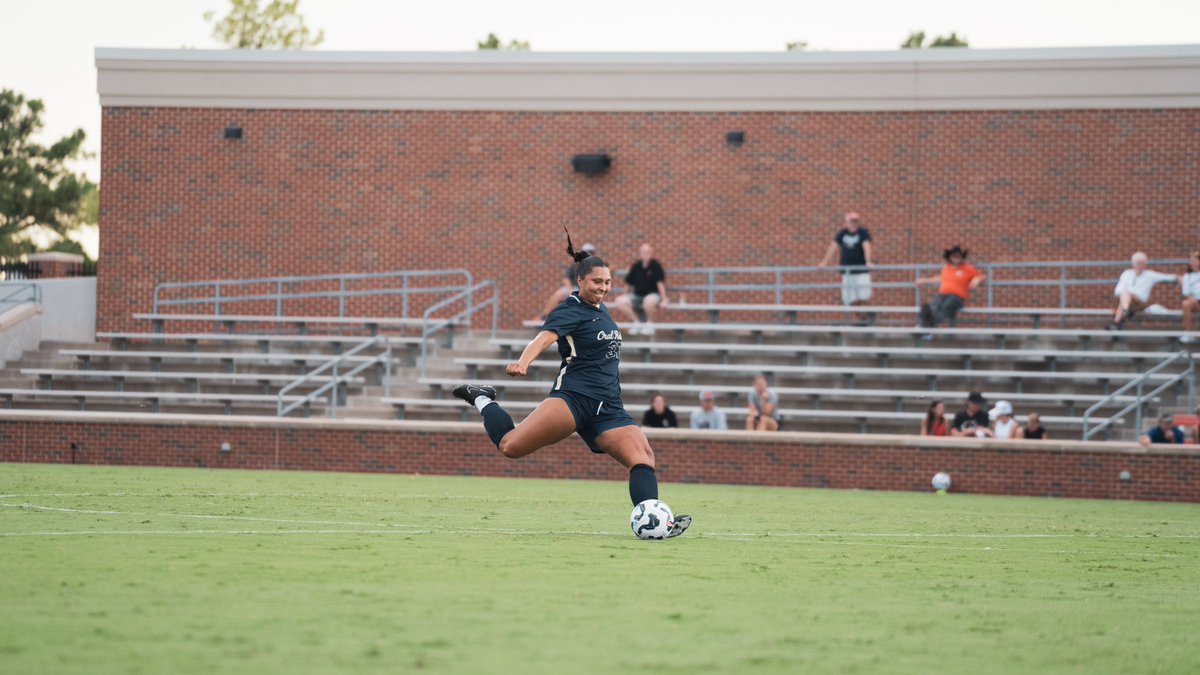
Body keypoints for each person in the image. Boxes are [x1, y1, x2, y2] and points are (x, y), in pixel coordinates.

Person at [451, 232, 690, 538]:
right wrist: (524, 362)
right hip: (574, 398)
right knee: (510, 446)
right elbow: (544, 338)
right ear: (580, 281)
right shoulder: (570, 308)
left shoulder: (602, 311)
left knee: (642, 457)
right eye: (596, 282)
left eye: (607, 282)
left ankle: (657, 524)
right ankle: (482, 398)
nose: (603, 288)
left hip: (609, 407)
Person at [817, 212, 874, 323]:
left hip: (861, 270)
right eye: (851, 222)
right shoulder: (842, 234)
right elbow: (833, 247)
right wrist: (824, 262)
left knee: (864, 295)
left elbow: (866, 245)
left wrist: (868, 261)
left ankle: (863, 316)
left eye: (855, 222)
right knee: (850, 298)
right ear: (846, 223)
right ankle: (861, 316)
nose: (853, 224)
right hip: (847, 272)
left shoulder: (863, 233)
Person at [915, 246, 986, 330]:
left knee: (946, 306)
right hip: (943, 294)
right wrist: (924, 280)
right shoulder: (946, 268)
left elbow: (982, 276)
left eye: (958, 256)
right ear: (950, 257)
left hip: (957, 297)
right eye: (954, 256)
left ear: (961, 257)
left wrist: (977, 279)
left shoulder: (967, 268)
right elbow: (940, 278)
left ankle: (926, 327)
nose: (956, 258)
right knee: (932, 306)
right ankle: (925, 326)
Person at [1108, 251, 1177, 331]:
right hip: (1126, 301)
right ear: (1133, 263)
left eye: (1143, 263)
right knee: (1125, 296)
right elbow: (1117, 291)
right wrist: (1130, 294)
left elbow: (1166, 277)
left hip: (1139, 303)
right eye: (1138, 263)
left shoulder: (1150, 275)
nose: (1141, 265)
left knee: (1124, 298)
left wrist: (1180, 278)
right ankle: (1122, 316)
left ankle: (1121, 317)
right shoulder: (1127, 274)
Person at [611, 243, 668, 336]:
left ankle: (650, 325)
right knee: (619, 301)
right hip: (637, 296)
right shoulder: (636, 266)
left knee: (648, 301)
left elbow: (660, 283)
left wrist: (664, 299)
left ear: (651, 253)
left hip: (652, 295)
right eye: (643, 252)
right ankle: (637, 323)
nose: (645, 254)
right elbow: (628, 283)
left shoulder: (656, 266)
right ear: (640, 253)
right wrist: (625, 295)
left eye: (647, 252)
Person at [535, 242, 596, 321]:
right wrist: (570, 289)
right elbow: (566, 279)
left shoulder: (596, 266)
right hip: (573, 288)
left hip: (585, 289)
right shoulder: (575, 265)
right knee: (559, 294)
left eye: (590, 252)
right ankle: (544, 316)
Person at [1180, 249, 1200, 344]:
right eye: (1190, 261)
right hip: (1196, 302)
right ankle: (1189, 334)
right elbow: (1187, 294)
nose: (1192, 263)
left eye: (1195, 260)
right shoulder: (1187, 277)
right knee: (1185, 304)